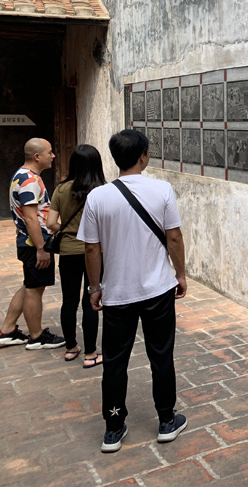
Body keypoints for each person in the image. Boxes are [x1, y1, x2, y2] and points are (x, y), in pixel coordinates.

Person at [78, 129, 188, 453]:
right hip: (158, 291)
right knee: (161, 355)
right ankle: (166, 420)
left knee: (114, 362)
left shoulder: (98, 197)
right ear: (144, 156)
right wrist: (180, 274)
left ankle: (113, 428)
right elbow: (174, 237)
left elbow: (91, 248)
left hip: (117, 294)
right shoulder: (162, 189)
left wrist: (94, 287)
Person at [0, 138, 65, 350]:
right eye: (50, 152)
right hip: (33, 243)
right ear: (37, 156)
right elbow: (30, 218)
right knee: (35, 289)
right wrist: (41, 248)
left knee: (30, 285)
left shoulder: (24, 176)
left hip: (29, 242)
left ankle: (8, 330)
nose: (53, 156)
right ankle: (36, 337)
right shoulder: (29, 180)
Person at [47, 144, 106, 367]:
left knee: (69, 301)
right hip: (95, 253)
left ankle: (71, 348)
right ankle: (91, 354)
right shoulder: (102, 191)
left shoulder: (61, 190)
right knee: (91, 300)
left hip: (68, 252)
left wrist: (69, 231)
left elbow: (50, 223)